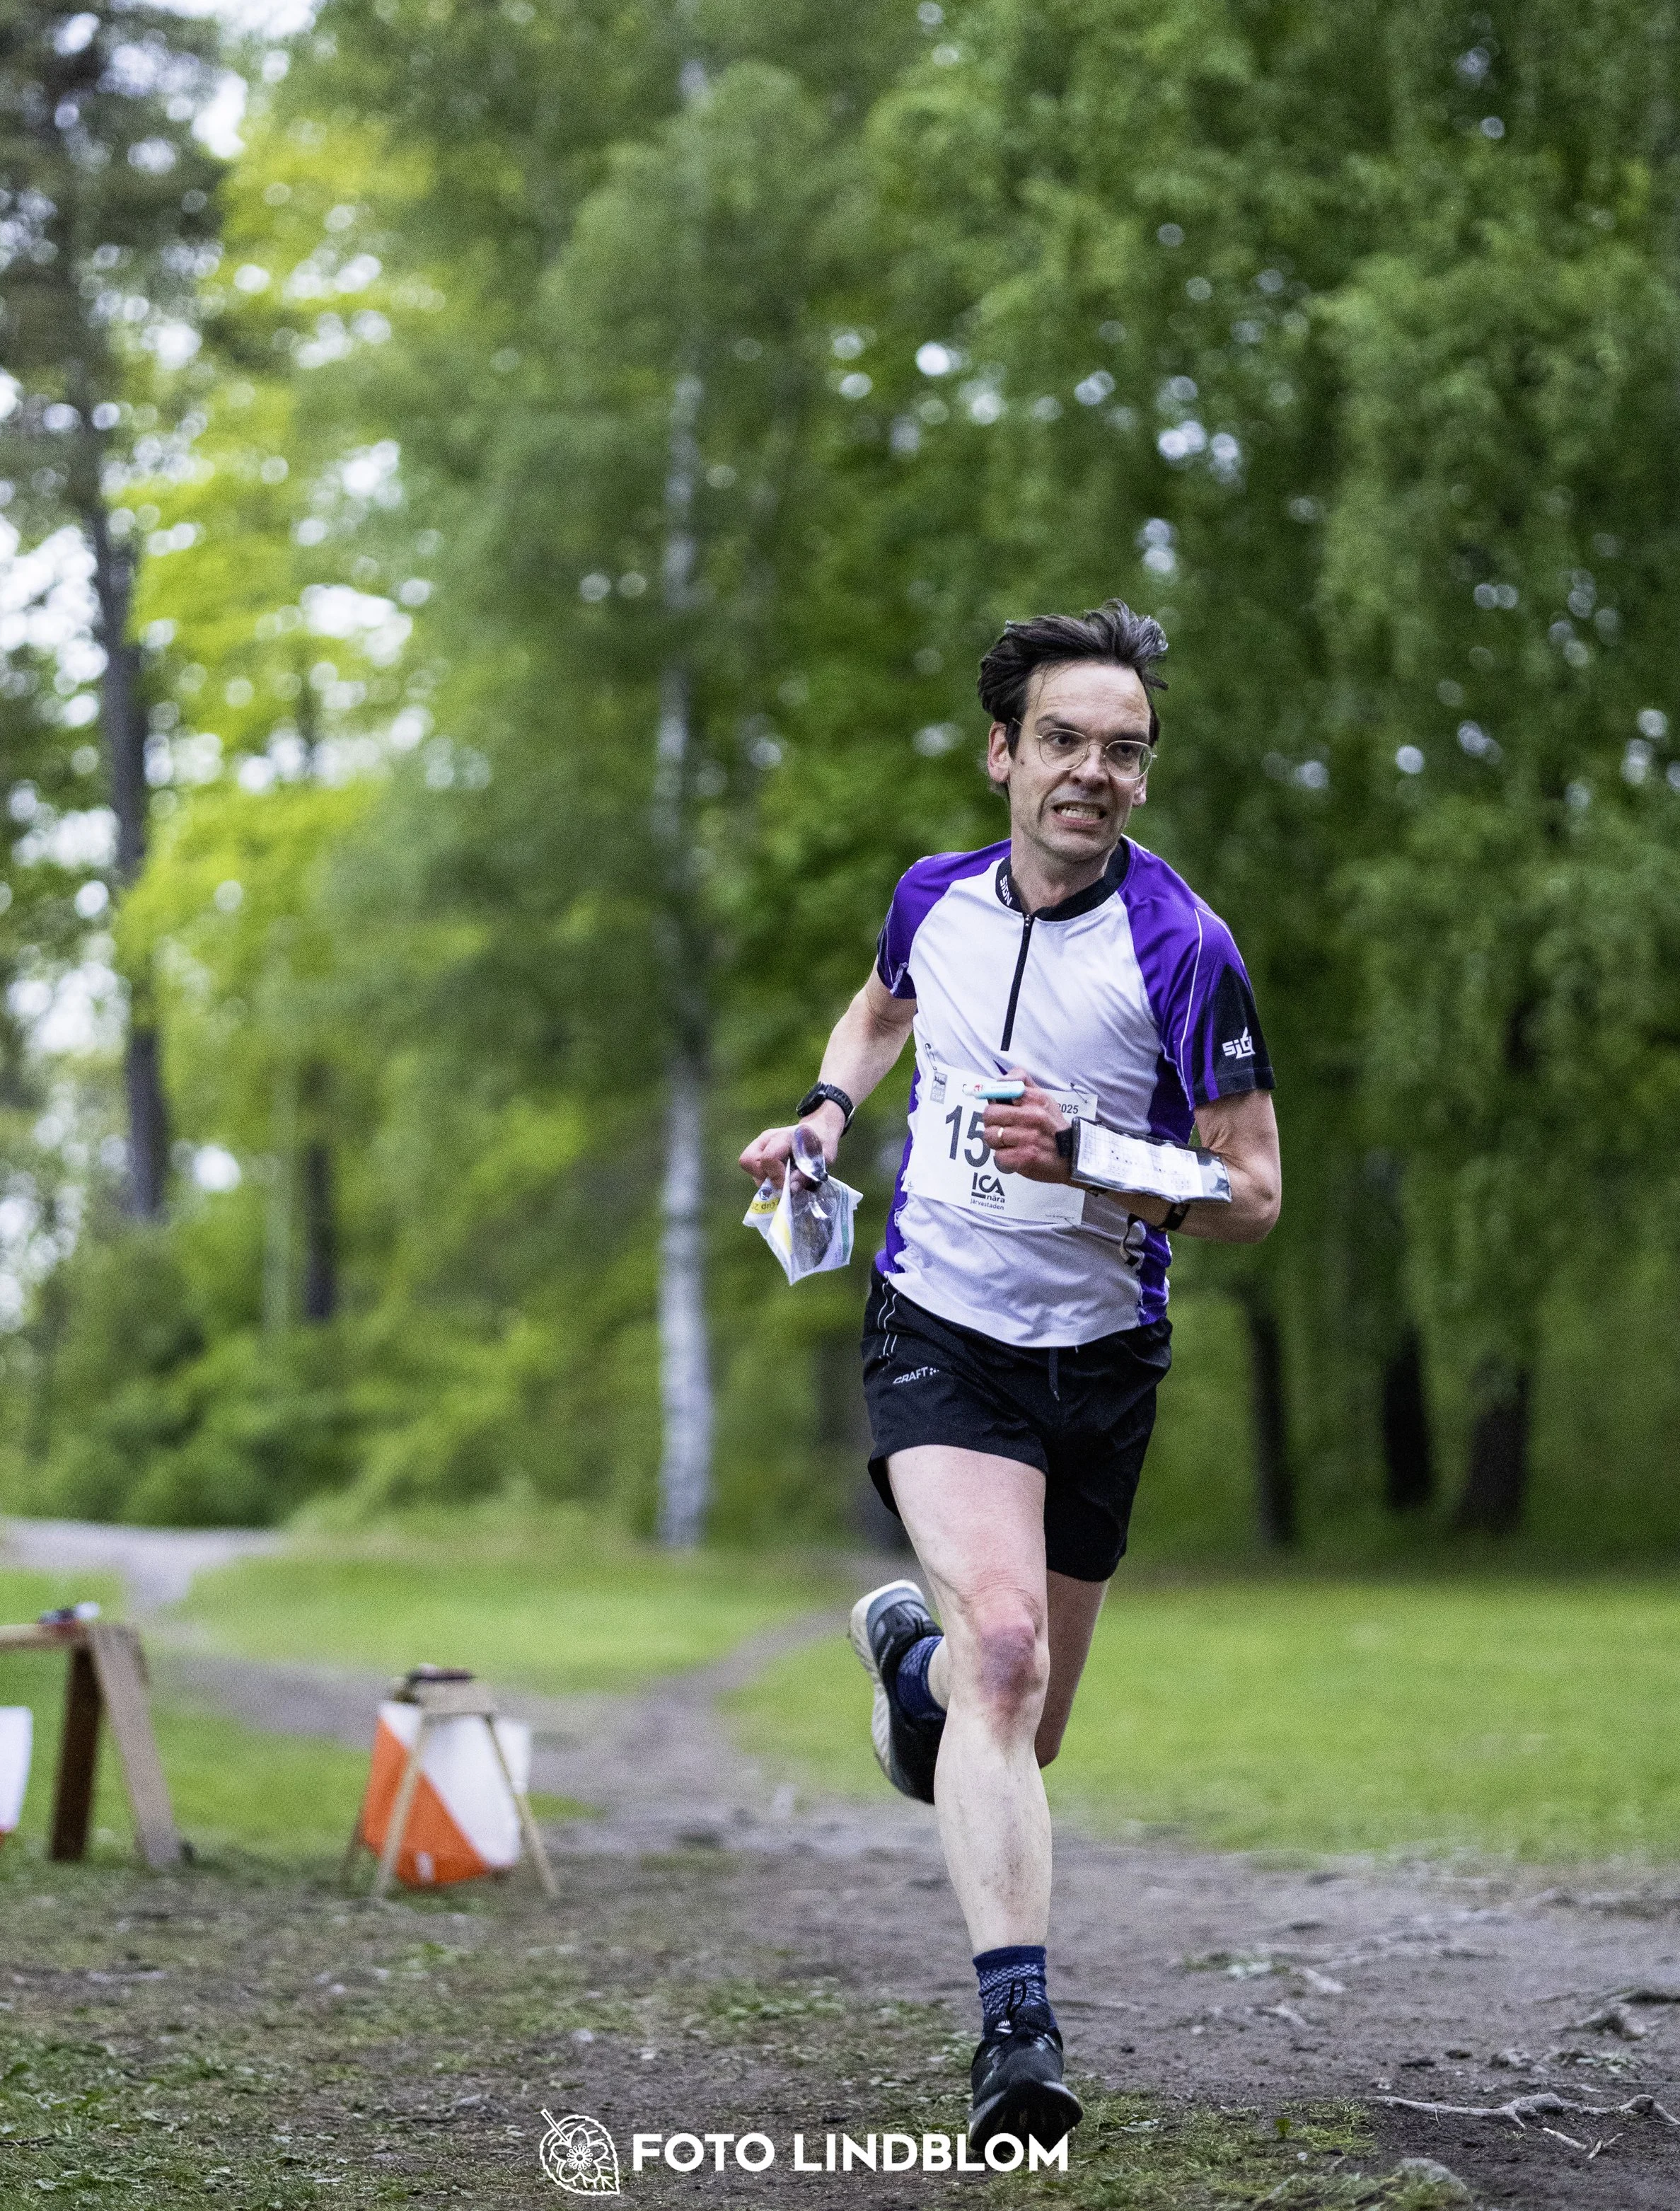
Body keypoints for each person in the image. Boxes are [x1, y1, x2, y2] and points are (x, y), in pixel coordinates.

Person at [737, 603, 1281, 2152]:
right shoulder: (933, 899)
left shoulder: (1183, 946)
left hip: (1101, 1354)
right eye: (1061, 741)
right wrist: (823, 1119)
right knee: (1004, 1650)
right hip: (942, 1324)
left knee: (1015, 1722)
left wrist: (1100, 1159)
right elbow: (880, 1005)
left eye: (1122, 750)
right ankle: (1015, 2035)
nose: (1090, 773)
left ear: (1141, 777)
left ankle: (898, 1664)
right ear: (1001, 752)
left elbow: (1250, 1189)